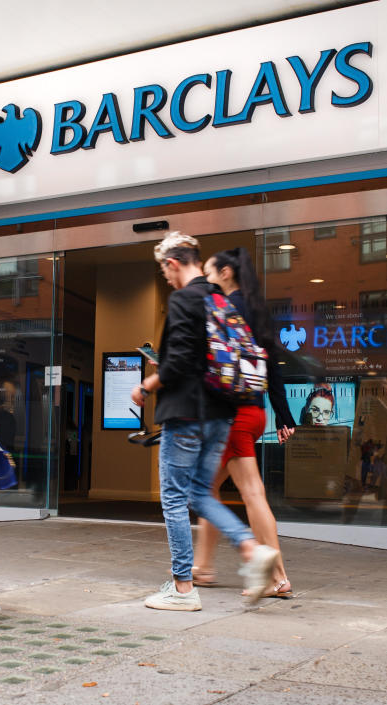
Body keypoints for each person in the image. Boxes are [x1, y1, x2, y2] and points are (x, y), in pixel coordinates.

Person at [131, 231, 279, 611]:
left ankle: (182, 589)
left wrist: (149, 383)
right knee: (199, 493)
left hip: (186, 414)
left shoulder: (184, 298)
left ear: (174, 263)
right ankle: (250, 547)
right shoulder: (220, 299)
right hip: (221, 414)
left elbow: (179, 360)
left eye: (165, 271)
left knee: (174, 498)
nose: (166, 278)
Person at [192, 247, 295, 599]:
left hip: (232, 414)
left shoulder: (226, 309)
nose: (205, 279)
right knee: (205, 490)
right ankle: (203, 567)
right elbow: (273, 364)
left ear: (224, 273)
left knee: (251, 492)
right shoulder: (257, 310)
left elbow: (213, 363)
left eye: (207, 272)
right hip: (253, 410)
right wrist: (284, 415)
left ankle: (277, 575)